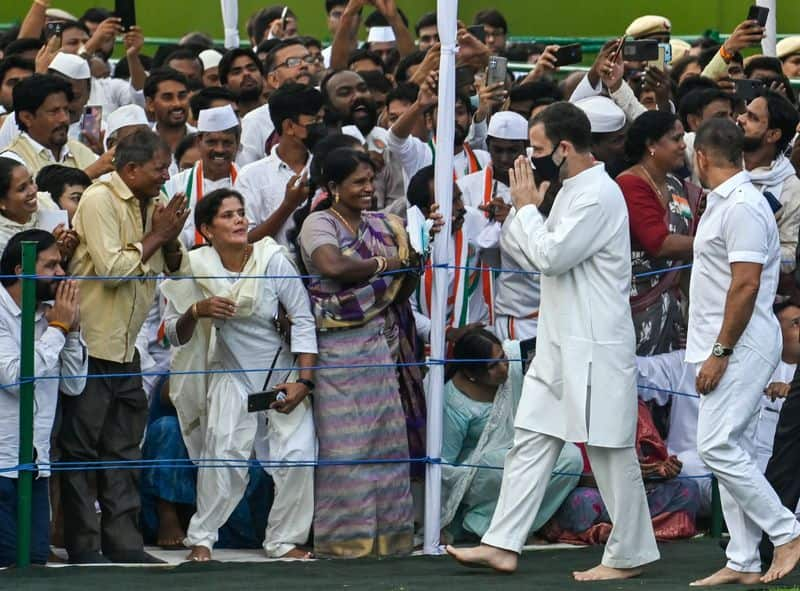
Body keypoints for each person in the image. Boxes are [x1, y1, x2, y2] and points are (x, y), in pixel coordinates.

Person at [447, 102, 659, 581]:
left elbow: (549, 255)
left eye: (537, 150)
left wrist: (525, 210)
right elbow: (531, 252)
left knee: (609, 448)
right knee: (531, 441)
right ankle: (502, 544)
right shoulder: (569, 191)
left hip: (596, 343)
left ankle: (630, 554)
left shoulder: (597, 196)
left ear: (564, 148)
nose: (529, 160)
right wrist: (527, 215)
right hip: (559, 341)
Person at [162, 188, 317, 561]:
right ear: (207, 229)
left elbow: (304, 320)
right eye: (228, 215)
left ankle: (283, 541)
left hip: (283, 374)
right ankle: (202, 538)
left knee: (298, 456)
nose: (239, 220)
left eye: (241, 213)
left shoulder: (272, 259)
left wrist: (304, 382)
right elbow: (171, 333)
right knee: (224, 456)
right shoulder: (197, 265)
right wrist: (197, 310)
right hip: (232, 373)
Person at [59, 129, 189, 564]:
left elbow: (178, 267)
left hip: (126, 348)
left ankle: (125, 543)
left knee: (123, 447)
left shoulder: (153, 203)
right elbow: (114, 269)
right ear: (130, 169)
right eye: (158, 170)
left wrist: (169, 235)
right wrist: (157, 235)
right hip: (89, 344)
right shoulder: (99, 200)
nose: (165, 178)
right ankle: (83, 546)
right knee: (80, 450)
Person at [685, 117, 800, 586]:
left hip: (741, 340)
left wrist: (720, 351)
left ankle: (786, 532)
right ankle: (744, 559)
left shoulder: (743, 207)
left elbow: (747, 283)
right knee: (739, 450)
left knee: (716, 445)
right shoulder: (725, 202)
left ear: (702, 158)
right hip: (732, 338)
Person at [296, 148, 423, 557]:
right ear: (332, 188)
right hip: (337, 349)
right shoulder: (319, 222)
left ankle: (390, 539)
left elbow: (407, 279)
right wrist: (386, 263)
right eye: (358, 182)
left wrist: (401, 263)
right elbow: (332, 266)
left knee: (386, 442)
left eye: (371, 180)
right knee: (346, 447)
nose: (368, 188)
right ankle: (345, 541)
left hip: (381, 345)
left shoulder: (385, 223)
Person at [441, 329, 583, 543]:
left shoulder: (514, 359)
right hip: (479, 475)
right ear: (471, 374)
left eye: (502, 359)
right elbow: (445, 465)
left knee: (571, 459)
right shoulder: (454, 401)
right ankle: (483, 526)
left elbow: (550, 340)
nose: (503, 368)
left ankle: (516, 528)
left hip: (519, 449)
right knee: (499, 463)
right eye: (492, 366)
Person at [0, 229, 86, 567]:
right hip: (2, 463)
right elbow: (16, 380)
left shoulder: (51, 315)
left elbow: (75, 386)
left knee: (35, 564)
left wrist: (73, 330)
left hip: (35, 466)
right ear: (21, 271)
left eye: (61, 265)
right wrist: (58, 331)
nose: (62, 274)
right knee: (7, 565)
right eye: (51, 266)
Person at [543, 398, 700, 545]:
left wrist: (661, 470)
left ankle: (631, 534)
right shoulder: (569, 407)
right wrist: (621, 474)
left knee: (688, 488)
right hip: (593, 492)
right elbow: (569, 475)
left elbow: (648, 464)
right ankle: (614, 534)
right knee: (583, 502)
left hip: (634, 491)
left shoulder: (633, 405)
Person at [616, 111, 700, 355]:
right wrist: (717, 243)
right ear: (651, 145)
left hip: (672, 307)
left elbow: (685, 244)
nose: (683, 145)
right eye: (676, 139)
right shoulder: (630, 184)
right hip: (639, 306)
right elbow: (659, 243)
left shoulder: (674, 184)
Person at [236, 83, 325, 248]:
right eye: (315, 121)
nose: (321, 127)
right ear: (290, 126)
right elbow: (245, 240)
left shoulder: (327, 166)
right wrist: (288, 205)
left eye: (322, 119)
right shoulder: (251, 176)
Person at [737, 90, 800, 274]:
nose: (740, 119)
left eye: (752, 117)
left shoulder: (791, 188)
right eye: (744, 112)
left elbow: (789, 257)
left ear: (772, 135)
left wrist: (746, 251)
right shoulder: (724, 160)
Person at [163, 104, 241, 249]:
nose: (219, 149)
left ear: (237, 144)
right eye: (212, 142)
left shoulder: (248, 181)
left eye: (227, 142)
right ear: (199, 142)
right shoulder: (174, 186)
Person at [0, 74, 102, 178]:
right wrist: (89, 174)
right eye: (54, 112)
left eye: (66, 110)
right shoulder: (12, 162)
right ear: (27, 118)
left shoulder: (80, 151)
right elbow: (44, 194)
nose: (64, 119)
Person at [239, 39, 314, 165]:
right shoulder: (255, 121)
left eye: (308, 59)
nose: (304, 65)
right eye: (293, 62)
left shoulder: (329, 105)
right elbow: (246, 169)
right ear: (273, 79)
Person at [0, 157, 76, 257]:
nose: (33, 190)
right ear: (1, 203)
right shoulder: (2, 236)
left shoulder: (46, 204)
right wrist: (50, 247)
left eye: (31, 181)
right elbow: (17, 271)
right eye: (22, 189)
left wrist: (68, 248)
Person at [144, 68, 196, 172]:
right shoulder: (142, 147)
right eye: (167, 98)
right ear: (150, 104)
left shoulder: (202, 142)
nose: (177, 103)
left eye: (182, 96)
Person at [218, 48, 265, 118]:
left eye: (252, 69)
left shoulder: (280, 113)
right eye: (237, 72)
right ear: (225, 85)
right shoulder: (228, 126)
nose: (246, 73)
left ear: (262, 77)